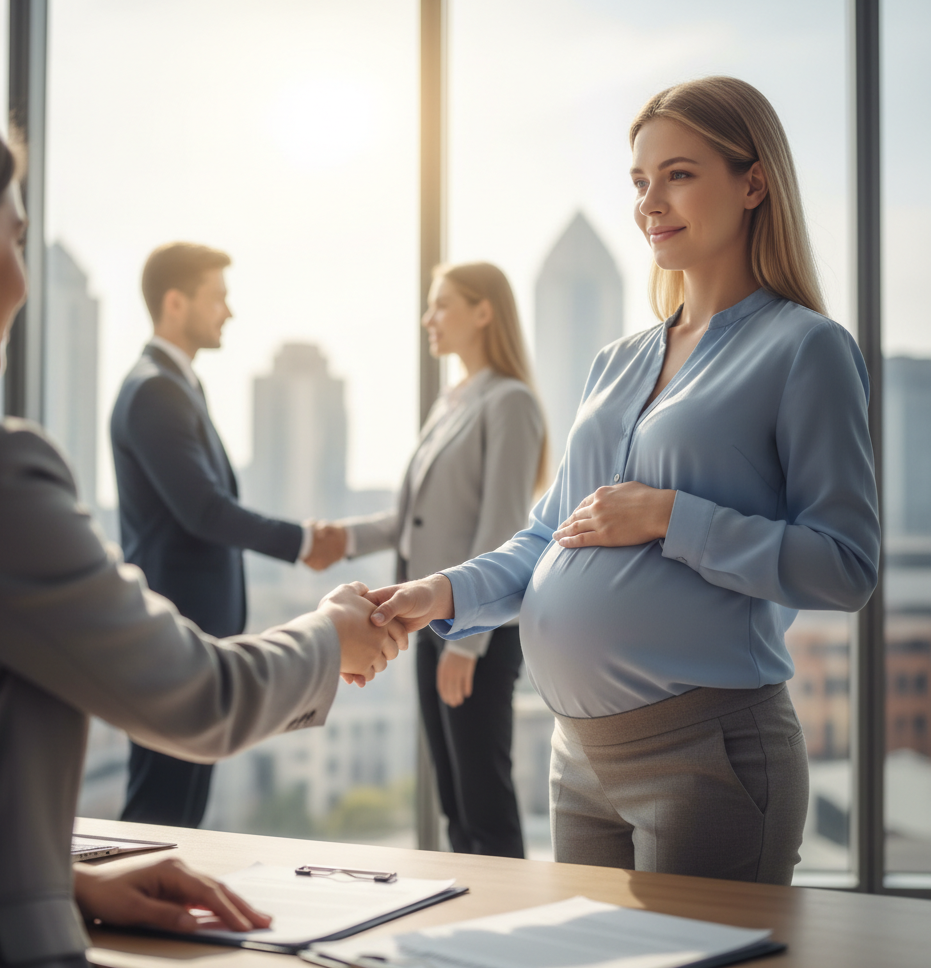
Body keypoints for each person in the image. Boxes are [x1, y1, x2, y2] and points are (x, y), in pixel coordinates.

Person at [0, 88, 405, 968]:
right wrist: (332, 632)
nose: (23, 282)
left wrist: (63, 880)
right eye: (14, 238)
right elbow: (203, 697)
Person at [365, 76, 880, 885]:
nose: (650, 203)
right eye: (640, 181)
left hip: (706, 755)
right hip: (578, 760)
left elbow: (844, 566)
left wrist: (672, 515)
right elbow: (547, 537)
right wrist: (444, 592)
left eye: (679, 174)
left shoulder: (805, 349)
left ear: (753, 183)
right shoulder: (616, 362)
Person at [111, 243, 345, 828]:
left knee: (179, 807)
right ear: (175, 303)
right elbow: (204, 511)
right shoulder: (155, 390)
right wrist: (301, 542)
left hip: (192, 633)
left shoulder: (175, 384)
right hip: (175, 633)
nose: (229, 312)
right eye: (217, 298)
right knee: (162, 806)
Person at [326, 263, 547, 858]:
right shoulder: (452, 402)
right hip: (429, 624)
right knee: (454, 804)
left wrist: (466, 646)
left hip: (475, 628)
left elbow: (502, 526)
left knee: (483, 805)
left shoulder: (510, 401)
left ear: (483, 312)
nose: (429, 318)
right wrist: (339, 539)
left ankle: (509, 915)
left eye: (442, 304)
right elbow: (411, 518)